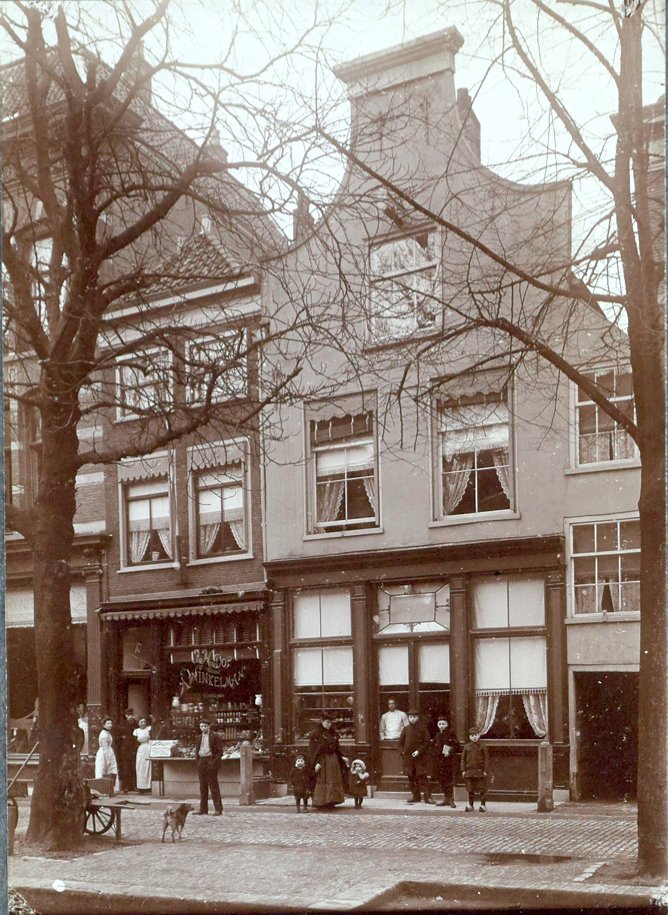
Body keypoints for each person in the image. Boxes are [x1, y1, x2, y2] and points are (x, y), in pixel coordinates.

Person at [308, 712, 348, 809]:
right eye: (327, 722)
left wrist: (342, 756)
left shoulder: (333, 733)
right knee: (323, 779)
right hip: (322, 760)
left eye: (330, 723)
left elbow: (337, 747)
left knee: (333, 779)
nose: (329, 725)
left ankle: (332, 801)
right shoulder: (316, 734)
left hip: (333, 759)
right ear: (322, 722)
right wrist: (316, 762)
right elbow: (313, 750)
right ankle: (322, 802)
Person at [398, 708, 434, 804]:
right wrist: (402, 752)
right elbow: (400, 742)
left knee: (422, 777)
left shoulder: (423, 728)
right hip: (409, 758)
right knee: (411, 777)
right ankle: (415, 796)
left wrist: (418, 751)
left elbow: (427, 742)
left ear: (417, 717)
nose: (412, 719)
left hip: (419, 757)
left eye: (414, 717)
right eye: (410, 717)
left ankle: (427, 797)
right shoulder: (406, 729)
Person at [193, 720, 224, 816]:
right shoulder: (198, 737)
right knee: (202, 786)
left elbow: (220, 751)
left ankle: (218, 809)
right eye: (201, 726)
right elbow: (197, 750)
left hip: (210, 760)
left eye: (205, 726)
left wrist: (213, 762)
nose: (203, 728)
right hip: (201, 761)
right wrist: (198, 761)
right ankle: (203, 809)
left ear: (209, 727)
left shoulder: (214, 736)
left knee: (213, 786)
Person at [431, 714, 460, 807]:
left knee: (449, 781)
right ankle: (446, 798)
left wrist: (450, 752)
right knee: (442, 780)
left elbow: (456, 745)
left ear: (447, 724)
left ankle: (451, 799)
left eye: (443, 724)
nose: (441, 726)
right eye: (439, 724)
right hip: (439, 761)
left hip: (449, 761)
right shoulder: (437, 734)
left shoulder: (451, 733)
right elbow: (434, 745)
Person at [461, 728, 489, 812]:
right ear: (469, 737)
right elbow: (463, 759)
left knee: (482, 788)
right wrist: (463, 770)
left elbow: (486, 759)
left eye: (476, 735)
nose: (474, 737)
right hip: (469, 771)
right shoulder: (467, 747)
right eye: (472, 736)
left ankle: (483, 805)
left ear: (479, 735)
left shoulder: (482, 746)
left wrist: (485, 770)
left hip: (479, 771)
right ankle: (470, 805)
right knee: (470, 789)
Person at [117, 709, 138, 793]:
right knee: (125, 768)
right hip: (125, 749)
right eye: (128, 715)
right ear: (125, 715)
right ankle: (125, 787)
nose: (130, 716)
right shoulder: (122, 724)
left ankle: (133, 786)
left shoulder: (136, 724)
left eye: (131, 714)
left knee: (133, 767)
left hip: (133, 748)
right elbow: (118, 735)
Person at [133, 717, 152, 794]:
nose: (143, 723)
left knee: (148, 766)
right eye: (141, 722)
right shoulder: (136, 731)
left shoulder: (149, 729)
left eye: (144, 721)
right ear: (138, 723)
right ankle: (141, 787)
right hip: (140, 749)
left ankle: (148, 786)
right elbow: (134, 742)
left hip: (148, 748)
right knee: (140, 767)